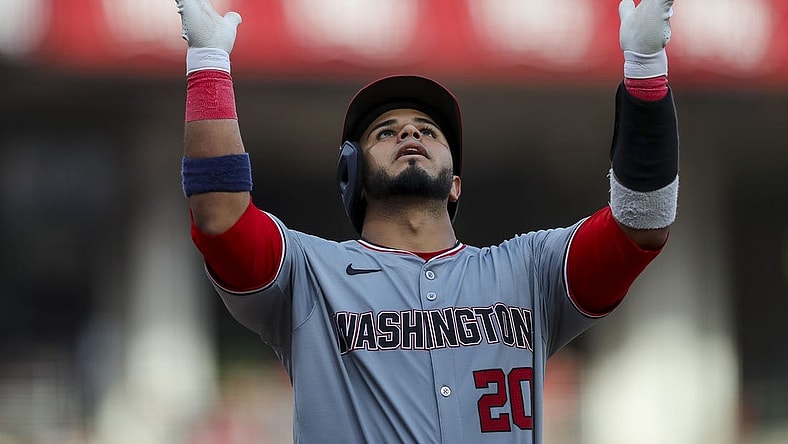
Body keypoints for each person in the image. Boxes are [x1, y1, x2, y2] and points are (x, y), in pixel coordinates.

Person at [175, 0, 679, 442]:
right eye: (386, 132)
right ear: (354, 176)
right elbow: (221, 216)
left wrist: (645, 71)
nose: (410, 132)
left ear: (455, 182)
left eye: (428, 130)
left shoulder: (529, 271)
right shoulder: (309, 274)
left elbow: (642, 222)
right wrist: (208, 66)